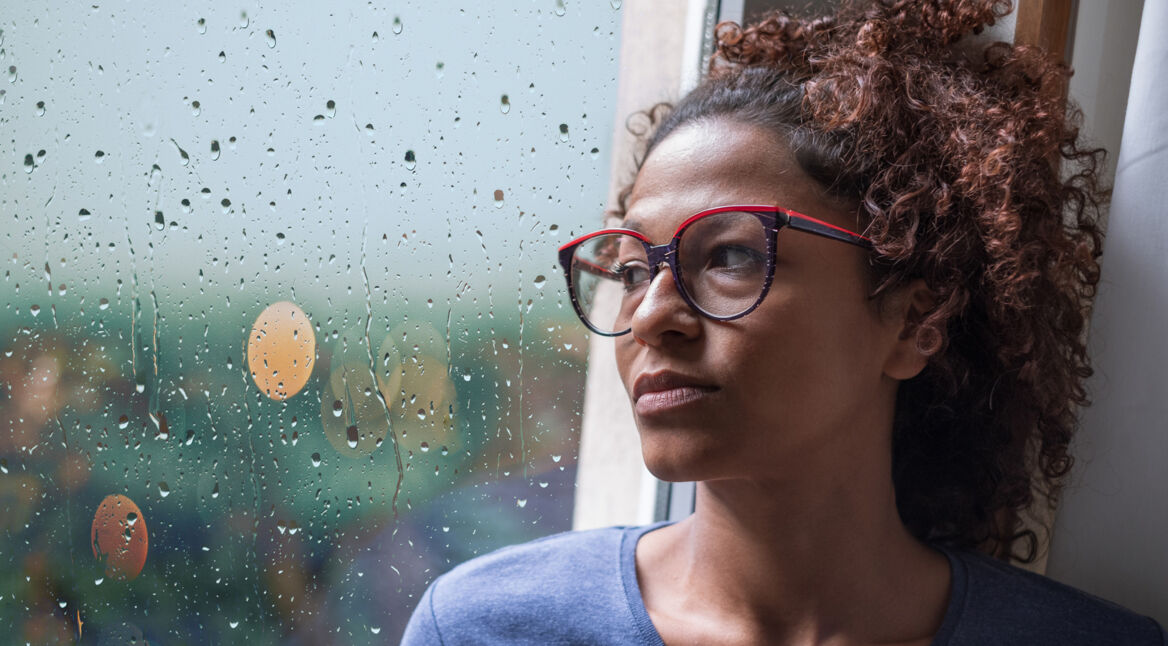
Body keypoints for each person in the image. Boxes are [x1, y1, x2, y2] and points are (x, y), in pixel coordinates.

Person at [402, 0, 1166, 643]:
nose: (652, 317)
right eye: (634, 269)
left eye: (730, 255)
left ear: (913, 321)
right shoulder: (482, 628)